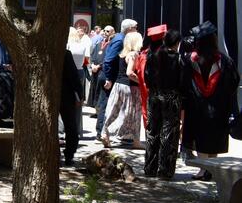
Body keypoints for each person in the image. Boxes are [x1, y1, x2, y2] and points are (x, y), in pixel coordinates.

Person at [182, 21, 240, 180]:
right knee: (213, 136)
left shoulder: (190, 60)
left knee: (199, 135)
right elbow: (235, 81)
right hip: (218, 107)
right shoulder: (225, 60)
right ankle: (211, 168)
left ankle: (202, 169)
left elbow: (184, 81)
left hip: (197, 106)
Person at [144, 29, 187, 179]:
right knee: (169, 133)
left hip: (154, 96)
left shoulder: (152, 56)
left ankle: (150, 167)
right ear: (177, 43)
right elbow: (183, 82)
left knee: (152, 131)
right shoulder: (180, 59)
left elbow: (147, 78)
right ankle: (165, 170)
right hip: (172, 98)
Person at [100, 31, 144, 148]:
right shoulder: (134, 54)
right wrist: (142, 82)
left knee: (113, 111)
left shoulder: (122, 54)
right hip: (130, 88)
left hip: (118, 85)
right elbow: (130, 72)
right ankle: (136, 141)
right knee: (134, 115)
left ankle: (105, 132)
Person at [99, 19, 139, 137]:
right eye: (135, 27)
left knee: (112, 108)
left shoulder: (121, 39)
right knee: (109, 107)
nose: (137, 29)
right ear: (129, 28)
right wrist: (108, 78)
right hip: (112, 78)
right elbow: (109, 59)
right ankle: (102, 133)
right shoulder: (121, 40)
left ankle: (105, 133)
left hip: (114, 78)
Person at [60, 49, 84, 166]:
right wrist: (80, 94)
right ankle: (69, 155)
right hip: (66, 94)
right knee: (70, 125)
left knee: (69, 126)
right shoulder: (65, 54)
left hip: (57, 93)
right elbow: (74, 76)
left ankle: (65, 154)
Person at [88, 26, 113, 109]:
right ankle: (95, 108)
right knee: (94, 90)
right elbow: (92, 56)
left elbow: (108, 59)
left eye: (108, 31)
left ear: (112, 33)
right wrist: (92, 65)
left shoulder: (111, 45)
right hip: (95, 71)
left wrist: (99, 66)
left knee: (100, 92)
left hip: (102, 71)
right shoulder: (99, 44)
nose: (105, 33)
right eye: (104, 31)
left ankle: (99, 110)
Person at [67, 25, 91, 99]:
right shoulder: (82, 45)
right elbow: (85, 58)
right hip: (80, 70)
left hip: (69, 71)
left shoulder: (68, 45)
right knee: (78, 95)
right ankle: (78, 110)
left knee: (68, 94)